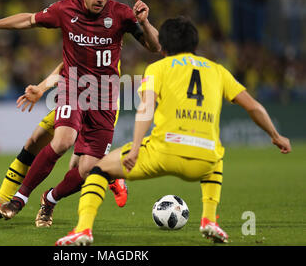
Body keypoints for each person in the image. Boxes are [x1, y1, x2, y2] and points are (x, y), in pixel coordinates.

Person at [55, 16, 292, 246]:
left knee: (99, 169)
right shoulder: (217, 70)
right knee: (216, 155)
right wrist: (275, 135)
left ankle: (82, 229)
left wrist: (136, 147)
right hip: (202, 160)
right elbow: (254, 106)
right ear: (195, 44)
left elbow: (146, 109)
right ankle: (209, 220)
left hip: (163, 152)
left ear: (164, 47)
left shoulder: (158, 68)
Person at [0, 0, 161, 224]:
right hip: (74, 90)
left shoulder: (122, 14)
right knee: (62, 140)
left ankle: (50, 199)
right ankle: (18, 199)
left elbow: (155, 46)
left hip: (104, 98)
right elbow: (28, 19)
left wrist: (144, 21)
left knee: (86, 168)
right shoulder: (65, 10)